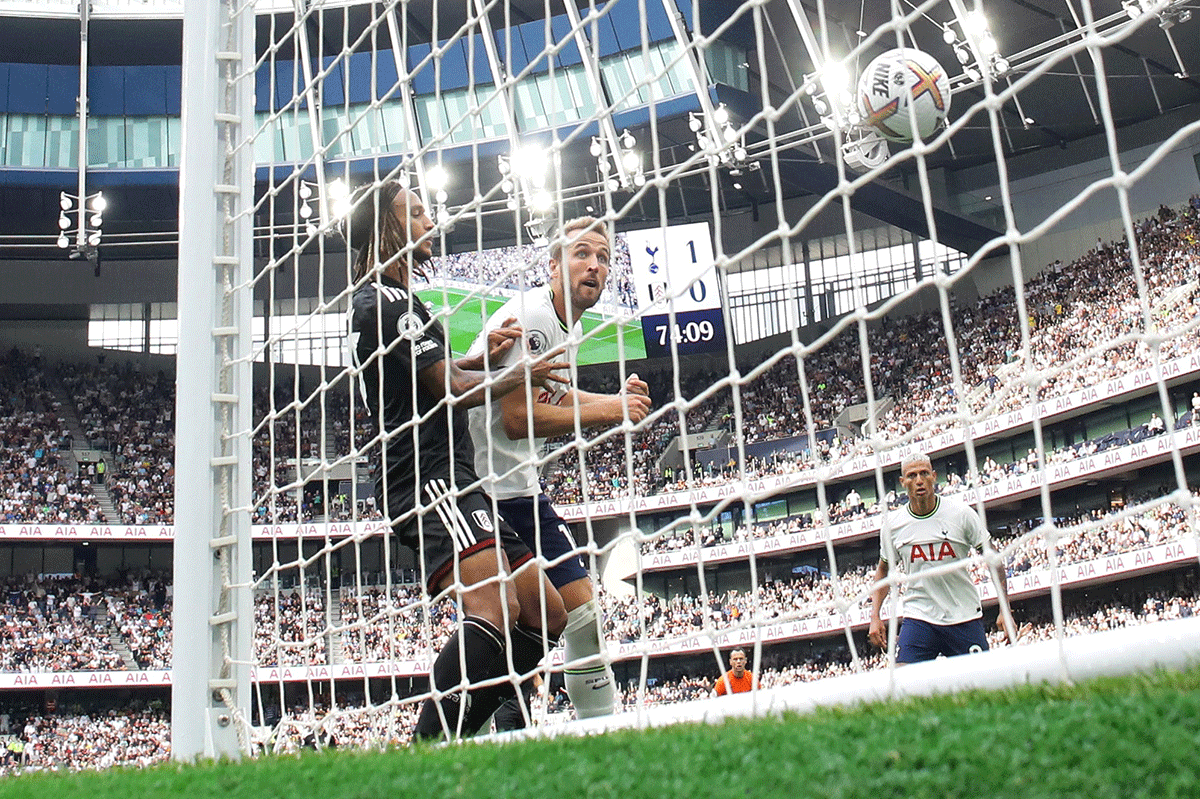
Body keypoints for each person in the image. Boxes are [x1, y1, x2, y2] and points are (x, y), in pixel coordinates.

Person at [346, 179, 570, 740]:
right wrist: (520, 373)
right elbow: (448, 391)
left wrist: (480, 357)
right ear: (388, 227)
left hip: (456, 473)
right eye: (416, 213)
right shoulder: (384, 301)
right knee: (494, 613)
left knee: (546, 612)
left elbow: (431, 379)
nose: (429, 222)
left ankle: (460, 735)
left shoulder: (402, 301)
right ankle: (427, 749)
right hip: (427, 477)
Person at [466, 216, 652, 719]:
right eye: (582, 254)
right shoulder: (533, 316)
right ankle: (489, 715)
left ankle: (502, 713)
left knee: (569, 612)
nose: (596, 265)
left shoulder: (562, 321)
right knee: (564, 612)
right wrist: (614, 411)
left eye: (605, 258)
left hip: (515, 487)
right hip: (489, 491)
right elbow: (518, 418)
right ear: (552, 266)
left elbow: (556, 394)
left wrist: (613, 399)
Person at [868, 453, 1012, 663]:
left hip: (962, 615)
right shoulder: (893, 526)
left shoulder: (961, 515)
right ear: (902, 482)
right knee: (902, 684)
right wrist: (875, 616)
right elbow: (884, 569)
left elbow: (993, 559)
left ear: (934, 476)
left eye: (924, 473)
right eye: (912, 475)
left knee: (981, 684)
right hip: (919, 616)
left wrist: (1005, 609)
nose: (919, 480)